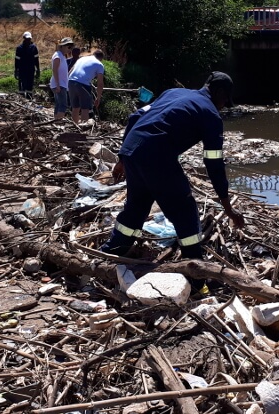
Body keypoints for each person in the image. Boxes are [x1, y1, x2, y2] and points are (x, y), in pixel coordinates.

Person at [100, 72, 245, 260]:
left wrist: (122, 158)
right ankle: (194, 269)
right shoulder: (210, 114)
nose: (223, 106)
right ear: (218, 92)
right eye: (225, 100)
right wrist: (228, 207)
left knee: (137, 207)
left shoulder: (173, 93)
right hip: (157, 158)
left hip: (133, 151)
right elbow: (214, 164)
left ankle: (110, 252)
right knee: (185, 212)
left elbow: (135, 117)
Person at [68, 49, 104, 123]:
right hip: (83, 84)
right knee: (85, 109)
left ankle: (75, 127)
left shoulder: (82, 58)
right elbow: (100, 83)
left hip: (71, 81)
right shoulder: (99, 64)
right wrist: (98, 97)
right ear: (101, 58)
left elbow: (70, 72)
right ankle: (83, 129)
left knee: (75, 108)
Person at [50, 37, 74, 121]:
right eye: (68, 47)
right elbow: (55, 70)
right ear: (62, 46)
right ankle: (59, 122)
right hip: (59, 84)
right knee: (63, 105)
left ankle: (56, 121)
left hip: (61, 84)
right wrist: (57, 84)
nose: (69, 49)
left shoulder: (62, 56)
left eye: (71, 47)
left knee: (59, 104)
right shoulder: (58, 55)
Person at [15, 31, 40, 97]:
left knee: (30, 85)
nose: (28, 40)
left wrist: (38, 69)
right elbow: (17, 60)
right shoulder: (19, 48)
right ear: (24, 38)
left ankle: (29, 98)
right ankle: (21, 99)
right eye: (27, 39)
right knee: (22, 85)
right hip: (22, 70)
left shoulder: (33, 48)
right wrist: (16, 70)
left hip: (31, 69)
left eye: (29, 39)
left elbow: (36, 59)